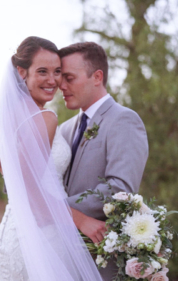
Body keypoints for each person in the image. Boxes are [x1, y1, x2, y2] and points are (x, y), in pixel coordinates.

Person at [0, 37, 102, 281]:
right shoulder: (45, 118)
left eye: (57, 72)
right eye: (42, 71)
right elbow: (30, 191)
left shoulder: (8, 118)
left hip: (12, 234)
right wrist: (82, 221)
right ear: (21, 72)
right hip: (41, 238)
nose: (52, 80)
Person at [58, 42, 149, 281]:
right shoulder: (63, 130)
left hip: (99, 261)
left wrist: (57, 209)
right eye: (60, 78)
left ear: (97, 76)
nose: (61, 86)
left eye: (69, 78)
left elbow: (120, 188)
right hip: (58, 255)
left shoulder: (124, 120)